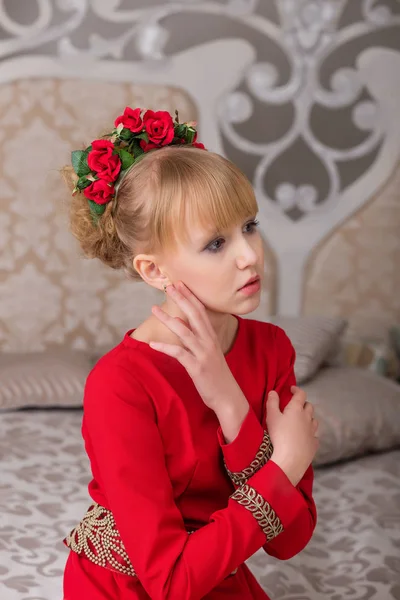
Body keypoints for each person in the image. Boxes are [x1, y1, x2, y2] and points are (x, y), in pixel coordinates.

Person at [61, 106, 319, 600]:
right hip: (128, 588)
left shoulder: (271, 349)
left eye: (250, 225)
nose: (249, 255)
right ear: (154, 271)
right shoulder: (120, 384)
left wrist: (231, 407)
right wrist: (281, 464)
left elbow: (292, 541)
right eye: (216, 243)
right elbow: (171, 583)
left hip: (216, 573)